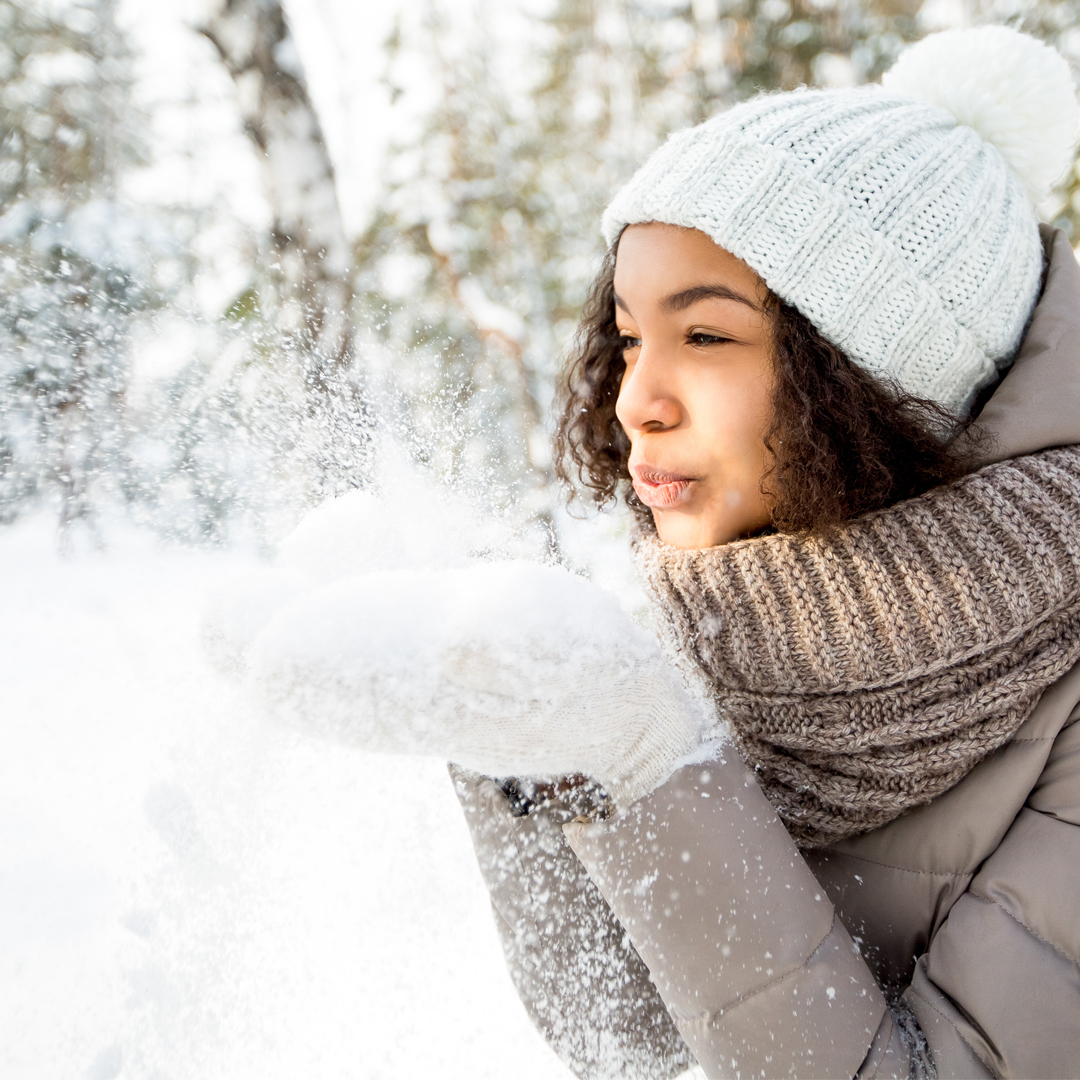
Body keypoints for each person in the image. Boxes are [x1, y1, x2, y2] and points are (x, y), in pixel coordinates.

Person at [235, 24, 1080, 1080]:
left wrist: (652, 756)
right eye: (630, 337)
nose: (636, 398)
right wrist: (520, 729)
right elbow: (626, 1031)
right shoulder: (740, 603)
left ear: (880, 375)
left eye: (707, 336)